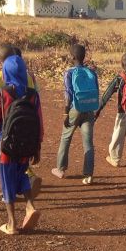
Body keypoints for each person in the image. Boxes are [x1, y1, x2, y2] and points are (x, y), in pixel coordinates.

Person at [0, 55, 44, 234]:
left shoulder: (0, 94)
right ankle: (30, 206)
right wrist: (37, 146)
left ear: (5, 73)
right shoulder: (33, 95)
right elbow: (39, 122)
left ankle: (11, 223)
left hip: (6, 146)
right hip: (26, 145)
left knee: (7, 181)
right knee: (22, 175)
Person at [51, 44, 100, 184]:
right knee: (88, 142)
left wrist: (66, 114)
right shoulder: (91, 72)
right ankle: (88, 174)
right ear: (84, 56)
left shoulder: (69, 72)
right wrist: (95, 110)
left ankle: (60, 168)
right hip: (89, 108)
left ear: (72, 57)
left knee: (66, 137)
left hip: (75, 108)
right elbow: (96, 91)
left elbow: (68, 95)